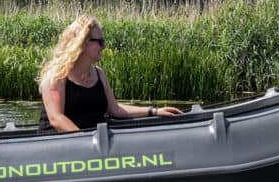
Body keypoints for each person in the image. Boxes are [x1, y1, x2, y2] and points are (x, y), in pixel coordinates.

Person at [38, 14, 184, 132]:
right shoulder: (56, 76)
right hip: (59, 145)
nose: (104, 46)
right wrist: (86, 142)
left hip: (93, 141)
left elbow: (115, 109)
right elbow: (56, 118)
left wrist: (154, 111)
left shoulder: (99, 74)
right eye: (100, 42)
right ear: (82, 43)